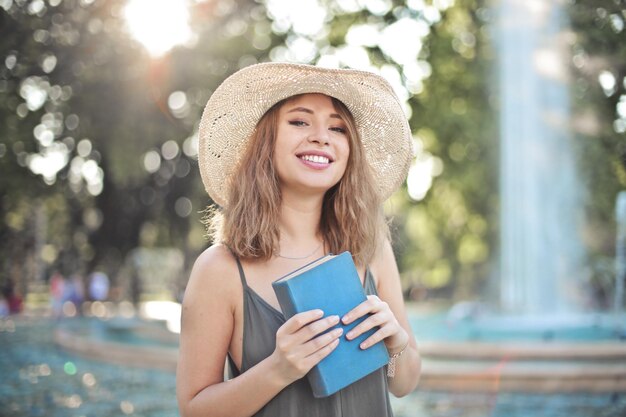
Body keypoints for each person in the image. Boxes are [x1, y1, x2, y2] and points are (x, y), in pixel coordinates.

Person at [177, 63, 421, 417]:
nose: (322, 136)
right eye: (299, 121)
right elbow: (194, 410)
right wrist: (278, 369)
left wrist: (396, 345)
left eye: (337, 128)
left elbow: (404, 384)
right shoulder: (220, 270)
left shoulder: (372, 251)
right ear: (265, 142)